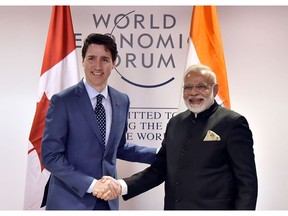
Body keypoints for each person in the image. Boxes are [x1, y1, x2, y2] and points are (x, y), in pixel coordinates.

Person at [97, 63, 258, 210]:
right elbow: (159, 170)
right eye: (188, 87)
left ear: (215, 90)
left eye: (201, 86)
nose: (193, 92)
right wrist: (121, 186)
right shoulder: (176, 123)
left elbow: (247, 183)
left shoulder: (233, 123)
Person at [41, 33, 157, 210]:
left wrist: (161, 153)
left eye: (104, 59)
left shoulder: (122, 100)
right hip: (69, 202)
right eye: (91, 58)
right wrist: (92, 184)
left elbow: (118, 147)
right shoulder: (63, 101)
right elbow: (51, 156)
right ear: (82, 60)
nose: (97, 66)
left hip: (107, 203)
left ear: (114, 62)